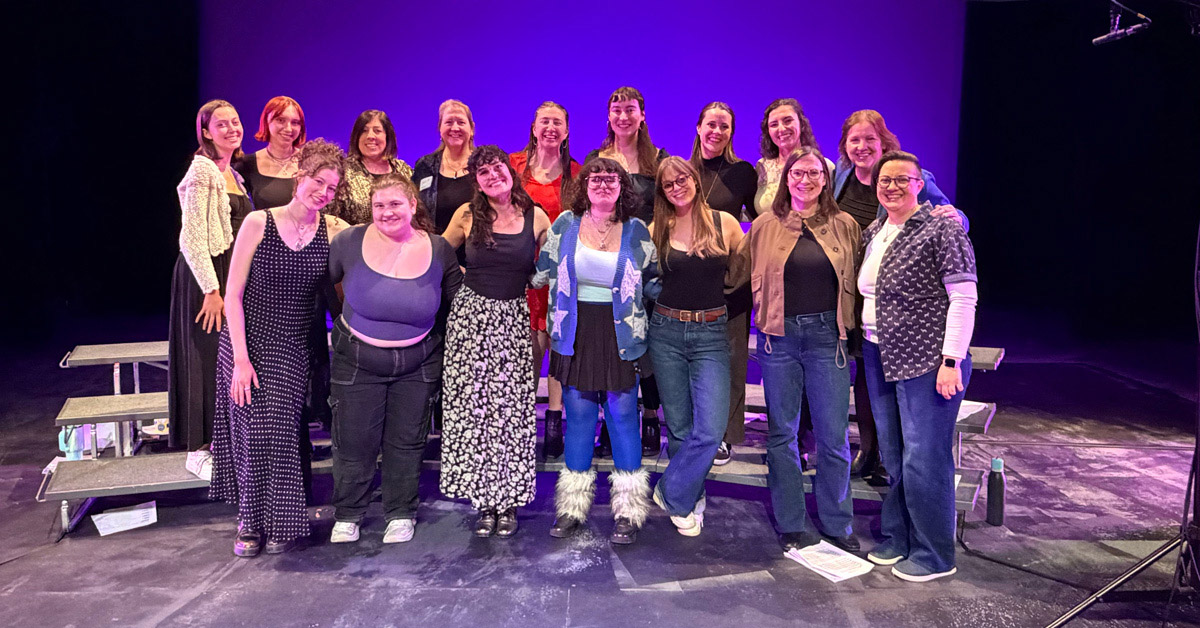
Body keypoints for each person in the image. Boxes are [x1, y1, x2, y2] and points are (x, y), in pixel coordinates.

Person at [210, 139, 349, 557]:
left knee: (283, 434)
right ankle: (250, 523)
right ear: (298, 177)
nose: (323, 193)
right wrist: (240, 359)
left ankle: (282, 522)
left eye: (331, 188)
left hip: (291, 346)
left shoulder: (334, 229)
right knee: (251, 434)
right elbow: (232, 295)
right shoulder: (258, 222)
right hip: (245, 342)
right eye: (317, 182)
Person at [858, 151, 977, 582]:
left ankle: (934, 553)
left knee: (925, 457)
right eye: (884, 180)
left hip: (927, 359)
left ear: (919, 183)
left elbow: (964, 298)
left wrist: (951, 360)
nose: (892, 187)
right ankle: (899, 535)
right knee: (895, 453)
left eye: (902, 180)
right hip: (879, 353)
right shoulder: (877, 229)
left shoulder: (942, 226)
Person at [832, 109, 968, 484]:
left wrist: (957, 220)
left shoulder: (909, 176)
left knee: (887, 384)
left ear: (884, 141)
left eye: (869, 140)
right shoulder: (840, 177)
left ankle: (891, 461)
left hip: (902, 296)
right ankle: (870, 448)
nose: (861, 147)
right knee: (865, 374)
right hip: (860, 289)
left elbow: (951, 216)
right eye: (854, 140)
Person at [326, 174, 462, 545]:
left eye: (395, 204)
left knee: (406, 441)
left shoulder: (438, 249)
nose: (387, 212)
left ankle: (400, 511)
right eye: (379, 205)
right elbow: (324, 286)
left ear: (413, 206)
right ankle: (349, 514)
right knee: (354, 440)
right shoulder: (347, 242)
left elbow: (454, 303)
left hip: (417, 363)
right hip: (356, 362)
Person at [532, 158, 659, 545]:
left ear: (623, 188)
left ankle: (629, 512)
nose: (603, 185)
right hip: (574, 333)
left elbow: (654, 283)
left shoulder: (636, 231)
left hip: (621, 335)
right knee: (580, 416)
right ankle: (572, 509)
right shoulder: (565, 225)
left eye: (612, 180)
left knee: (622, 415)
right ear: (584, 186)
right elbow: (538, 272)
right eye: (596, 179)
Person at [747, 147, 861, 554]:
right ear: (786, 178)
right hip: (779, 339)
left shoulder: (845, 224)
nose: (806, 179)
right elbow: (740, 278)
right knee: (783, 434)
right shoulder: (764, 225)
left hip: (827, 339)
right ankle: (792, 522)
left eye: (814, 172)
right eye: (798, 172)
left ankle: (837, 522)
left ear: (826, 179)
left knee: (833, 437)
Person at [439, 146, 549, 538]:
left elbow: (555, 263)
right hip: (471, 321)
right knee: (478, 414)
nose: (492, 176)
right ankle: (485, 502)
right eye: (482, 172)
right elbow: (437, 253)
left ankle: (510, 500)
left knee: (512, 413)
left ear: (510, 170)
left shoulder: (536, 216)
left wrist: (538, 284)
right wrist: (456, 287)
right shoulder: (467, 215)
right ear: (476, 181)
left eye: (496, 168)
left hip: (513, 320)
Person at [646, 156, 745, 536]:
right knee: (682, 427)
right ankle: (690, 497)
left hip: (710, 334)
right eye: (668, 184)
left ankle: (670, 490)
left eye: (682, 179)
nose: (677, 187)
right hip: (666, 331)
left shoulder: (725, 223)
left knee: (711, 427)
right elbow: (647, 280)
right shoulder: (658, 228)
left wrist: (722, 308)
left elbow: (742, 274)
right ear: (662, 191)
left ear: (695, 180)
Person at [586, 87, 667, 456]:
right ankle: (611, 417)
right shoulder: (596, 159)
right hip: (605, 264)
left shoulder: (659, 160)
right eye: (616, 109)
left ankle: (649, 413)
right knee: (610, 343)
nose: (623, 116)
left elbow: (666, 211)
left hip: (644, 264)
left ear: (642, 115)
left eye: (630, 110)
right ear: (608, 115)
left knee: (643, 343)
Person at [168, 99, 251, 452]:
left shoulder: (233, 173)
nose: (232, 128)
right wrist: (211, 289)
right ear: (206, 133)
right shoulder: (203, 170)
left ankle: (224, 440)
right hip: (207, 277)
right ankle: (205, 444)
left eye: (235, 121)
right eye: (222, 125)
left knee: (224, 355)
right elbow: (191, 238)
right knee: (209, 356)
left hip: (226, 273)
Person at [508, 102, 582, 460]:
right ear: (534, 127)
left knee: (559, 347)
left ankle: (554, 423)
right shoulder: (512, 166)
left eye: (558, 122)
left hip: (564, 277)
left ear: (567, 131)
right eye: (545, 121)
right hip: (523, 274)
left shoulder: (578, 174)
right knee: (528, 350)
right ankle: (522, 425)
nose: (551, 127)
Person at [689, 101, 757, 466]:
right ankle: (695, 431)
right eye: (711, 124)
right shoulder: (682, 171)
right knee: (693, 363)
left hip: (729, 280)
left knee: (730, 360)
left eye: (724, 126)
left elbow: (764, 218)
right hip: (688, 280)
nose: (717, 131)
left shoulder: (743, 173)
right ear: (698, 127)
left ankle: (726, 436)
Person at [328, 110, 414, 225]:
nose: (370, 136)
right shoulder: (342, 170)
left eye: (377, 131)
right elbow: (329, 216)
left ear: (387, 136)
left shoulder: (404, 170)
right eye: (364, 131)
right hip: (355, 241)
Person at [412, 100, 478, 235]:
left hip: (478, 251)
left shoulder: (484, 165)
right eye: (448, 122)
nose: (455, 128)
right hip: (435, 250)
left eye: (461, 122)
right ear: (440, 129)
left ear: (472, 129)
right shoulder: (424, 166)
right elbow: (412, 210)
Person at [234, 96, 305, 210]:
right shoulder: (247, 165)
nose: (288, 128)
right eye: (281, 120)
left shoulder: (311, 162)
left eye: (295, 122)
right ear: (266, 122)